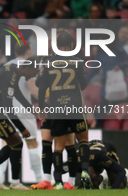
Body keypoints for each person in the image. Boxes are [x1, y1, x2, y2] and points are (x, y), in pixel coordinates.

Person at [37, 31, 91, 190]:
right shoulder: (78, 61)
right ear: (72, 45)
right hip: (74, 106)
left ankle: (58, 182)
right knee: (82, 140)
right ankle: (85, 172)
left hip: (55, 107)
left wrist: (41, 106)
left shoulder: (48, 62)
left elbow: (41, 86)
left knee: (58, 145)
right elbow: (83, 85)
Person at [0, 58, 39, 190]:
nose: (35, 75)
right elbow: (8, 108)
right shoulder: (10, 77)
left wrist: (30, 108)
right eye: (34, 71)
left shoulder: (12, 69)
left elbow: (17, 93)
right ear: (27, 68)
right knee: (17, 142)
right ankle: (14, 182)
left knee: (14, 143)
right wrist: (22, 128)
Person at [0, 42, 42, 188]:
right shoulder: (29, 66)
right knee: (32, 142)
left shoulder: (6, 66)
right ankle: (40, 180)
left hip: (7, 109)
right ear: (28, 51)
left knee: (7, 142)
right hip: (24, 110)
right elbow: (33, 90)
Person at [62, 140, 128, 189]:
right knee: (91, 187)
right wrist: (58, 182)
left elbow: (121, 171)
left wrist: (113, 190)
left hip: (106, 151)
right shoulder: (77, 161)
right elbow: (62, 168)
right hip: (92, 155)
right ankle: (103, 178)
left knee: (118, 184)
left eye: (94, 178)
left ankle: (127, 176)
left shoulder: (101, 157)